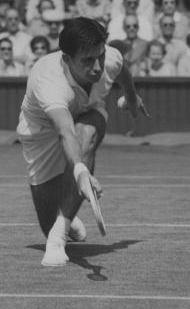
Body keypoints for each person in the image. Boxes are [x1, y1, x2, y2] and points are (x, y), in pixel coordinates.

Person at [16, 17, 147, 267]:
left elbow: (123, 72)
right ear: (66, 59)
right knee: (46, 220)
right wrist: (80, 169)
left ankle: (58, 237)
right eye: (87, 61)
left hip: (88, 113)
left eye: (99, 56)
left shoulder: (109, 57)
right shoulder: (49, 82)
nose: (97, 67)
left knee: (86, 133)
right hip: (41, 131)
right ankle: (63, 219)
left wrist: (132, 98)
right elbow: (65, 131)